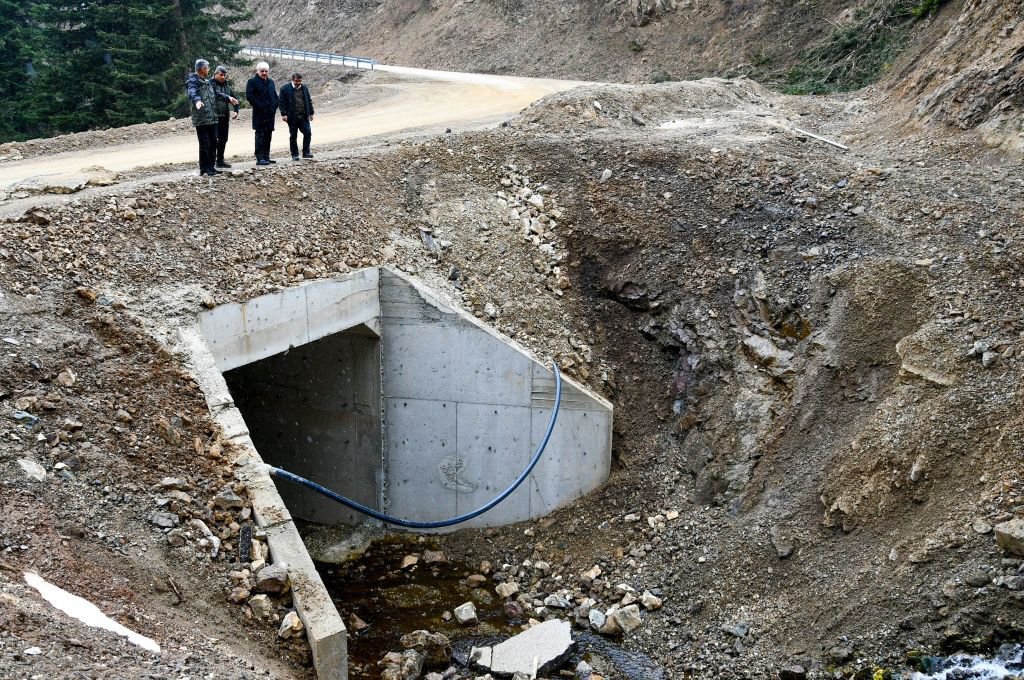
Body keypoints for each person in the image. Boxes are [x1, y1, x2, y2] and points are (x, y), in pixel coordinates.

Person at [186, 59, 236, 176]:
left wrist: (228, 98)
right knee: (205, 144)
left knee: (214, 142)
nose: (209, 70)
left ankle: (211, 168)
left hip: (213, 118)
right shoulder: (193, 81)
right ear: (202, 69)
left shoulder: (207, 82)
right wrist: (197, 100)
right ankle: (204, 168)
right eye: (207, 68)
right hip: (202, 119)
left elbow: (216, 93)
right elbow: (192, 92)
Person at [246, 62, 278, 166]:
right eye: (262, 71)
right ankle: (259, 158)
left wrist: (275, 106)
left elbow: (275, 96)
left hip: (270, 114)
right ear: (257, 71)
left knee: (268, 135)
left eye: (266, 71)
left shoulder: (271, 82)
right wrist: (261, 106)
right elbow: (250, 97)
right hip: (259, 114)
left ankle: (266, 156)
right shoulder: (252, 82)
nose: (264, 73)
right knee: (260, 135)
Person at [278, 72, 314, 161]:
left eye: (300, 81)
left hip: (303, 116)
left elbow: (308, 101)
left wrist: (311, 113)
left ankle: (306, 152)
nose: (298, 83)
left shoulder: (304, 88)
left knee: (308, 133)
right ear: (292, 80)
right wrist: (284, 114)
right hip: (292, 117)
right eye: (296, 81)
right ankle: (294, 154)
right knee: (293, 136)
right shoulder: (285, 89)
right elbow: (281, 102)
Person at [212, 65, 240, 169]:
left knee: (224, 139)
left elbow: (235, 99)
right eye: (221, 75)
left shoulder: (227, 86)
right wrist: (228, 97)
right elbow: (215, 94)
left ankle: (220, 160)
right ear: (215, 74)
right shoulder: (210, 84)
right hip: (214, 117)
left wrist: (236, 111)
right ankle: (211, 161)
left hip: (224, 116)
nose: (223, 77)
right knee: (214, 140)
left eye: (224, 75)